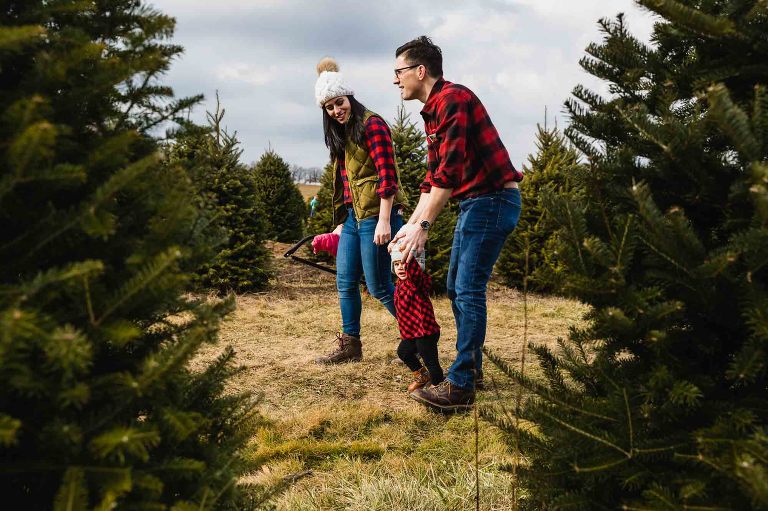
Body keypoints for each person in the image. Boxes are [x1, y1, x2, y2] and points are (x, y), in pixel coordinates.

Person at [390, 36, 523, 411]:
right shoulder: (434, 109)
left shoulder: (453, 100)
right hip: (476, 203)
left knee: (467, 290)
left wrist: (424, 227)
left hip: (493, 199)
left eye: (398, 72)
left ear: (420, 71)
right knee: (454, 287)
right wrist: (409, 226)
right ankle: (471, 372)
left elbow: (448, 173)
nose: (395, 80)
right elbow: (432, 179)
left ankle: (461, 385)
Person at [313, 57, 408, 364]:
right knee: (344, 281)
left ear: (349, 97)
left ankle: (416, 337)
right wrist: (342, 223)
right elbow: (346, 183)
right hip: (355, 218)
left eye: (339, 102)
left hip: (378, 216)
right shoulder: (343, 135)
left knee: (380, 285)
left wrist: (384, 221)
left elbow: (387, 176)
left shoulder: (373, 125)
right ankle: (350, 345)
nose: (336, 110)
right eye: (329, 107)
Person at [390, 246, 443, 392]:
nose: (400, 267)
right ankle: (422, 375)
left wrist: (408, 252)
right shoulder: (400, 284)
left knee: (430, 360)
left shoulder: (417, 282)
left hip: (425, 332)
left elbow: (414, 272)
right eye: (396, 264)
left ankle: (438, 386)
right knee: (404, 352)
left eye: (403, 263)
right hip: (412, 332)